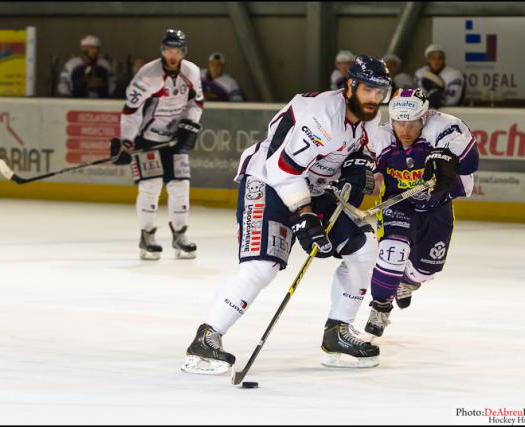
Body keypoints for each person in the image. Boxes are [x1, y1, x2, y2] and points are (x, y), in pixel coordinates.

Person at [181, 55, 393, 375]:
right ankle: (207, 336)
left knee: (364, 248)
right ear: (350, 86)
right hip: (268, 181)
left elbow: (363, 151)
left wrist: (358, 167)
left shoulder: (370, 117)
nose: (374, 99)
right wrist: (305, 217)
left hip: (316, 187)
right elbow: (283, 170)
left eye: (381, 92)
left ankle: (338, 332)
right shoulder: (323, 118)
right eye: (368, 90)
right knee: (262, 267)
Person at [363, 88, 479, 339]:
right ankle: (380, 308)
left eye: (411, 123)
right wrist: (361, 176)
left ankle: (406, 280)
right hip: (399, 204)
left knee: (427, 270)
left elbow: (471, 162)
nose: (404, 130)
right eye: (398, 123)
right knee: (394, 249)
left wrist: (445, 158)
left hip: (436, 208)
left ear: (424, 118)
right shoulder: (382, 137)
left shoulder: (444, 127)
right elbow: (362, 165)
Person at [110, 29, 204, 260]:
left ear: (184, 52)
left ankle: (180, 236)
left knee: (180, 186)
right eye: (168, 50)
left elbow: (197, 102)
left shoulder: (191, 71)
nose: (173, 55)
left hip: (175, 140)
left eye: (178, 50)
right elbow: (131, 110)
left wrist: (189, 125)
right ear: (162, 51)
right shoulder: (148, 75)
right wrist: (126, 141)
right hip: (147, 139)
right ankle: (147, 236)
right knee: (150, 187)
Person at [414, 44, 465, 108]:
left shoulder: (455, 74)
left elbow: (452, 100)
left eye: (440, 58)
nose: (436, 61)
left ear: (444, 59)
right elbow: (417, 98)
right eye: (433, 58)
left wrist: (434, 97)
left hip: (449, 113)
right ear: (428, 60)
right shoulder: (420, 73)